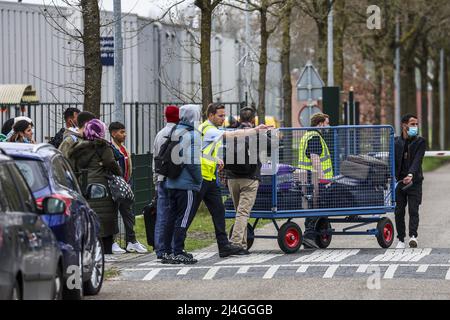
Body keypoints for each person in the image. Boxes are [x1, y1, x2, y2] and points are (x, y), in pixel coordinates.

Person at [189, 103, 269, 258]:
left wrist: (217, 162)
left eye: (224, 115)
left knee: (221, 212)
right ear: (211, 115)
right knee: (242, 212)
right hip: (244, 178)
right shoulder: (213, 130)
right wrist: (257, 131)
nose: (223, 118)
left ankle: (232, 245)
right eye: (220, 115)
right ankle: (237, 243)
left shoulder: (225, 129)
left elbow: (206, 152)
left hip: (229, 178)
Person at [68, 119, 122, 254]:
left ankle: (91, 251)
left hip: (85, 187)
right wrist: (118, 172)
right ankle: (106, 252)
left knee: (90, 217)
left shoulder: (78, 148)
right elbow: (110, 161)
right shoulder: (102, 146)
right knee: (106, 219)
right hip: (101, 188)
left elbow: (72, 167)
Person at [162, 104, 202, 264]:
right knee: (183, 218)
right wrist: (199, 180)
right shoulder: (193, 134)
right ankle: (178, 250)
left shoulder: (175, 130)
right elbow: (192, 161)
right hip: (186, 185)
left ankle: (166, 251)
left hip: (171, 182)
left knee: (171, 217)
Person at [226, 107, 270, 254]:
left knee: (239, 211)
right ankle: (236, 243)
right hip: (250, 178)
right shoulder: (256, 134)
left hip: (232, 177)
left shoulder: (233, 132)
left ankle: (243, 245)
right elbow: (272, 146)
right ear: (253, 120)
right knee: (243, 213)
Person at [108, 121, 148, 254]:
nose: (124, 135)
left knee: (128, 214)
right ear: (113, 133)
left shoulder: (124, 149)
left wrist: (128, 183)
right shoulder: (110, 148)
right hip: (115, 188)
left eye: (124, 132)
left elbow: (128, 168)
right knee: (113, 215)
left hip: (125, 186)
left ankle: (132, 241)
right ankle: (112, 242)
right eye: (121, 132)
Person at [298, 113, 334, 247]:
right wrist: (323, 178)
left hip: (307, 177)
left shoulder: (308, 135)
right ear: (320, 124)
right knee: (315, 206)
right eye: (327, 123)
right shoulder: (314, 137)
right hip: (315, 179)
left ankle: (314, 235)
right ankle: (309, 235)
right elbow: (314, 158)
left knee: (313, 206)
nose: (328, 126)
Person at [152, 105, 180, 259]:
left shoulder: (160, 134)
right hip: (174, 179)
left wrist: (155, 178)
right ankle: (170, 247)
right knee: (174, 215)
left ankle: (161, 248)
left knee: (162, 215)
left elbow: (155, 157)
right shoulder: (179, 133)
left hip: (161, 178)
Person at [394, 114, 425, 249]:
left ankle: (413, 236)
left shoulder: (420, 142)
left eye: (416, 124)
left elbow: (418, 160)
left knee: (413, 210)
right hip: (400, 182)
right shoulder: (395, 142)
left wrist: (411, 174)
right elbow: (392, 161)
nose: (415, 127)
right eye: (412, 124)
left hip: (415, 182)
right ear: (404, 125)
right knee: (399, 211)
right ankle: (400, 239)